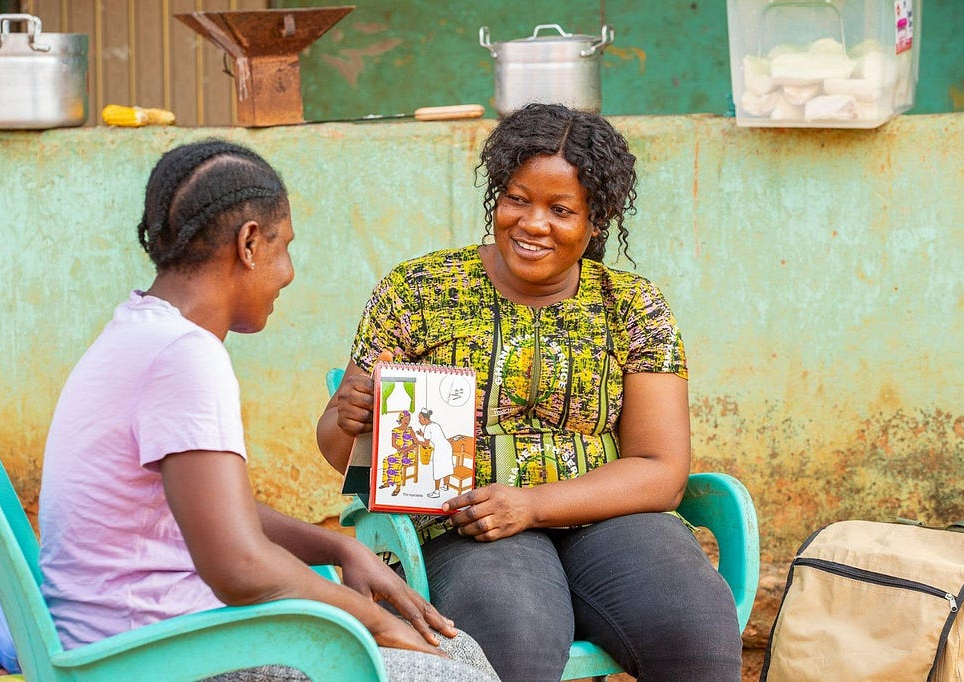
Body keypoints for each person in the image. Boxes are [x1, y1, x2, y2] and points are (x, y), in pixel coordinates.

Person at [37, 139, 498, 682]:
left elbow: (213, 511)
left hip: (142, 630)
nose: (289, 272)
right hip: (157, 655)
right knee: (450, 672)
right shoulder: (184, 358)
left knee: (453, 647)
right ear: (250, 244)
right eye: (285, 247)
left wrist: (339, 548)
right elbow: (236, 566)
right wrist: (370, 622)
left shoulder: (142, 329)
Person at [317, 103, 744, 681]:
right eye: (517, 199)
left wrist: (532, 503)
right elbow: (347, 456)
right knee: (510, 633)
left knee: (692, 621)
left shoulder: (633, 307)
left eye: (561, 209)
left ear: (597, 221)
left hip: (613, 520)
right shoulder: (417, 291)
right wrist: (347, 419)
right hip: (462, 526)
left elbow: (660, 468)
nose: (533, 223)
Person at [416, 409, 453, 497]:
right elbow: (433, 436)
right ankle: (445, 486)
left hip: (440, 450)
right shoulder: (434, 424)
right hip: (447, 447)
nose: (419, 420)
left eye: (420, 418)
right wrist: (422, 434)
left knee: (438, 470)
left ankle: (436, 492)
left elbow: (426, 443)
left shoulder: (428, 427)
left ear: (425, 419)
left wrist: (417, 441)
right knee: (446, 467)